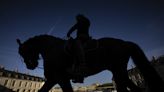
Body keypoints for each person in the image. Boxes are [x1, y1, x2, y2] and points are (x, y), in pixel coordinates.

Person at [67, 14, 90, 83]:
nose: (77, 20)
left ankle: (82, 65)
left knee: (77, 45)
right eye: (77, 19)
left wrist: (69, 33)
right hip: (80, 37)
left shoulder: (84, 22)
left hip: (83, 37)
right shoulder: (83, 22)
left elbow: (73, 28)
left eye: (77, 18)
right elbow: (74, 27)